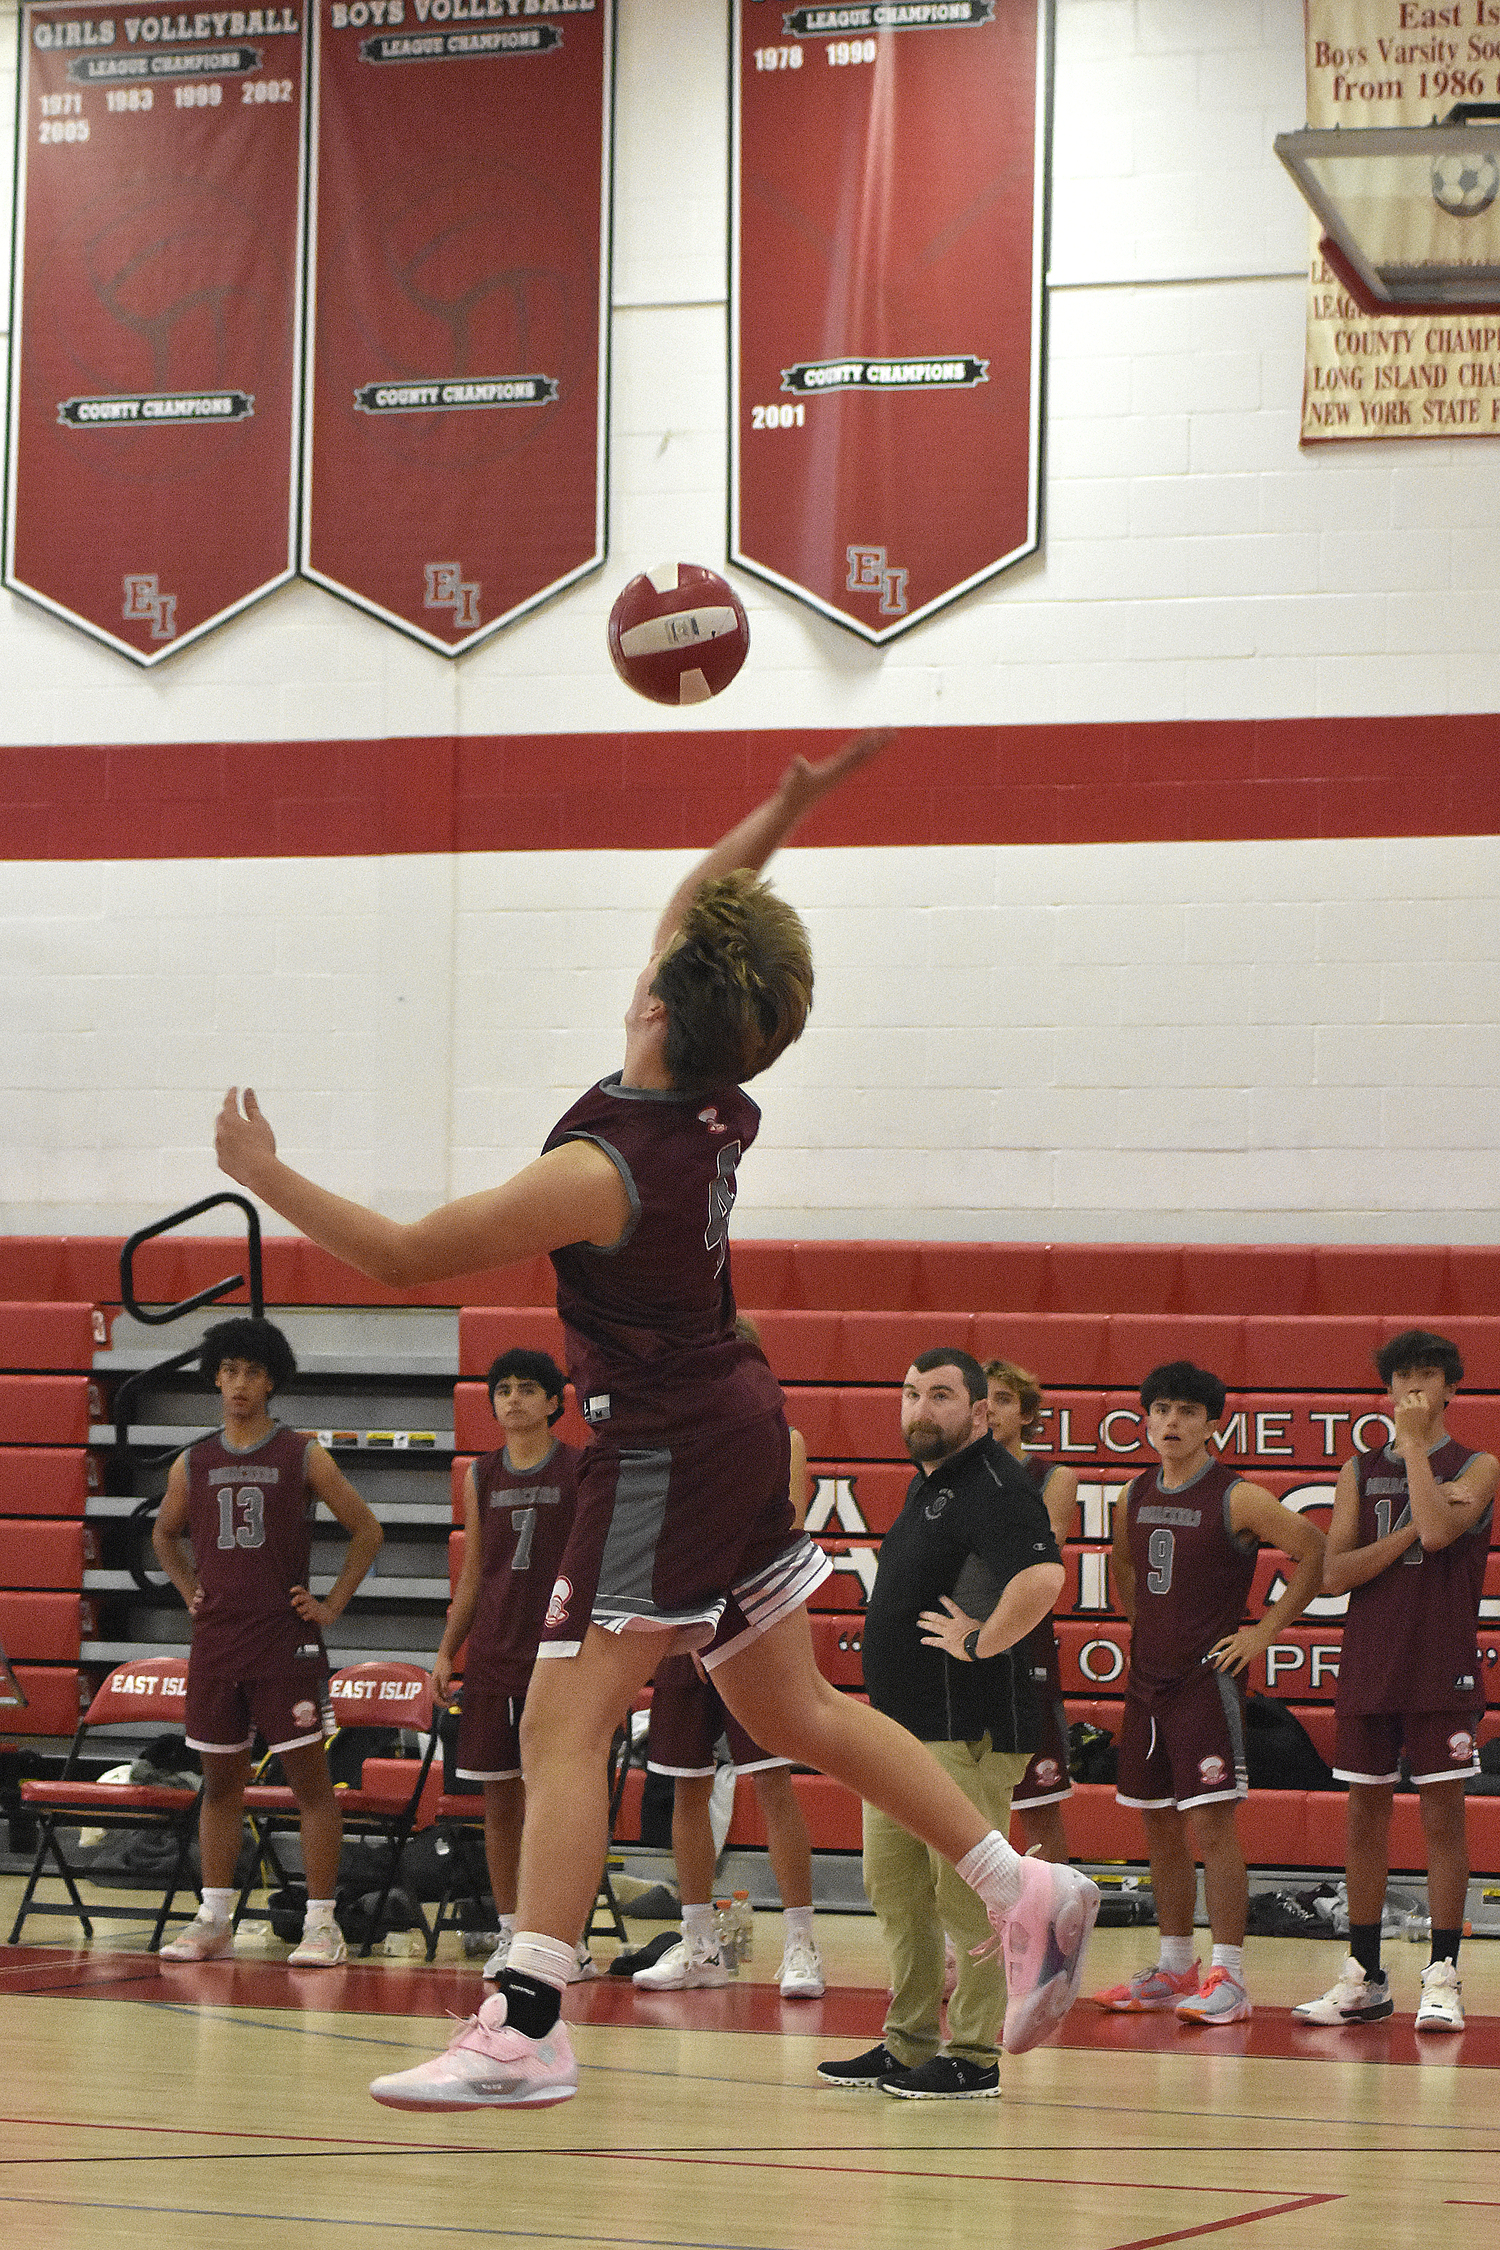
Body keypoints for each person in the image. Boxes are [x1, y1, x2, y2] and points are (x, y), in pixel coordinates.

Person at [214, 731, 1100, 2112]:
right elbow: (700, 901)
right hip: (734, 1408)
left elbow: (398, 1257)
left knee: (567, 1714)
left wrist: (267, 1175)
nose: (648, 950)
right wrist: (787, 809)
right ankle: (1020, 1879)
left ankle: (524, 2016)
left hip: (666, 1441)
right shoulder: (711, 1104)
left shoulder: (602, 1168)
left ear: (654, 1007)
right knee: (794, 1703)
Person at [817, 1349, 1068, 2100]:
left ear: (980, 1412)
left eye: (940, 1396)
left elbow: (1043, 1575)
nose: (921, 1409)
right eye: (911, 1393)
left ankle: (975, 2054)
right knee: (895, 1889)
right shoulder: (933, 1486)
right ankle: (909, 2041)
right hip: (900, 1733)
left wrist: (980, 1641)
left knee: (967, 1895)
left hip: (967, 1730)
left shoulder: (994, 1484)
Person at [1090, 1360, 1324, 2026]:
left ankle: (1232, 1977)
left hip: (1204, 1682)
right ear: (1146, 1417)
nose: (1171, 1421)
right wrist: (1149, 1634)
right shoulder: (1132, 1493)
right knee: (1157, 1823)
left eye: (1187, 1411)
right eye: (1161, 1408)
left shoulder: (1237, 1496)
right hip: (1147, 1681)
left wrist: (1263, 1635)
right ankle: (1173, 1967)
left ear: (1211, 1423)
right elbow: (1125, 1569)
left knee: (1213, 1825)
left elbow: (1311, 1547)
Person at [152, 1316, 384, 1967]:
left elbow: (366, 1529)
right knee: (221, 1785)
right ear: (214, 1379)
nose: (238, 1384)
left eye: (251, 1371)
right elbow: (164, 1534)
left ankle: (320, 1923)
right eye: (228, 1371)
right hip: (217, 1645)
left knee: (311, 1784)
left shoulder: (302, 1454)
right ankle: (214, 1917)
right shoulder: (192, 1461)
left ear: (271, 1379)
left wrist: (332, 1603)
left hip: (286, 1644)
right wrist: (187, 1589)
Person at [1293, 1330, 1498, 2035]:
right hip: (1371, 1662)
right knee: (1363, 1820)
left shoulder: (1479, 1463)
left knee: (1442, 1820)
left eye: (1426, 1375)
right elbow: (1334, 1573)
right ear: (1387, 1389)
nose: (1413, 1387)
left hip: (1441, 1661)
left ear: (1449, 1387)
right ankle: (1364, 1974)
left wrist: (1413, 1451)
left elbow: (1442, 1534)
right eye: (1401, 1376)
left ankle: (1442, 1973)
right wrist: (1405, 1533)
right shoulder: (1357, 1469)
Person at [635, 1332, 823, 1999]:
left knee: (772, 1781)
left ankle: (801, 1943)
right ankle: (699, 1944)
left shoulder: (781, 1439)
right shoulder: (671, 1442)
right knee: (684, 1785)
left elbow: (782, 1529)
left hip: (753, 1620)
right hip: (684, 1619)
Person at [432, 1348, 591, 1984]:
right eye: (504, 1389)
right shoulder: (481, 1474)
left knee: (558, 1800)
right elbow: (474, 1571)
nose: (514, 1399)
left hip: (555, 1655)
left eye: (529, 1388)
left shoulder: (580, 1470)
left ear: (556, 1402)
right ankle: (508, 1930)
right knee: (500, 1799)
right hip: (494, 1653)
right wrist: (448, 1647)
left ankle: (563, 1938)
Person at [985, 1358, 1079, 1862]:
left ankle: (1055, 1933)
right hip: (963, 1650)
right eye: (984, 1400)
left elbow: (1037, 1565)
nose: (991, 1410)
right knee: (965, 1801)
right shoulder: (947, 1475)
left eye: (1004, 1400)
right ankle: (971, 1930)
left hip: (1024, 1652)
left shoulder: (1054, 1478)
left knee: (1039, 1804)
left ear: (1026, 1414)